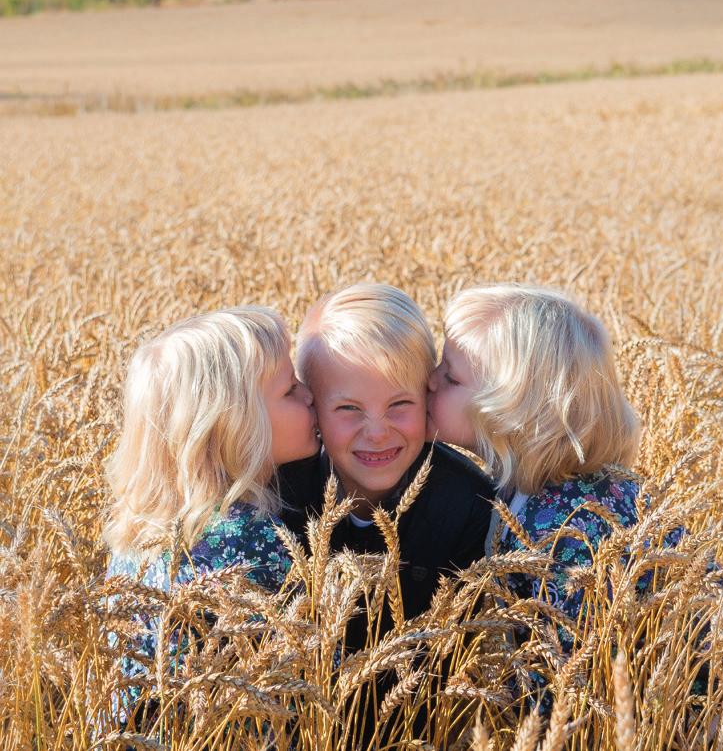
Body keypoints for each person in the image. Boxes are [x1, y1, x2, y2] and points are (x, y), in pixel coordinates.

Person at [104, 305, 319, 710]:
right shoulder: (251, 541)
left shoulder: (138, 534)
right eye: (291, 390)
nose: (310, 396)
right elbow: (322, 672)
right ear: (236, 424)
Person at [427, 283, 642, 646]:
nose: (430, 380)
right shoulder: (579, 490)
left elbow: (572, 670)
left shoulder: (560, 530)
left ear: (511, 409)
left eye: (450, 375)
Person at [278, 282, 493, 635]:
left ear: (427, 395)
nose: (377, 433)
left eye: (399, 405)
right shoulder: (283, 495)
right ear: (312, 406)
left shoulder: (466, 503)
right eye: (349, 408)